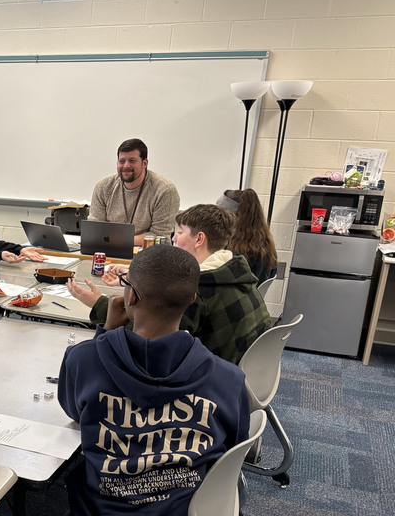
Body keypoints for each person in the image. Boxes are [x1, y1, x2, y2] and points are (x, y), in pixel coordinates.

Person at [58, 244, 250, 516]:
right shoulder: (228, 378)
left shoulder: (84, 358)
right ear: (192, 300)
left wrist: (106, 334)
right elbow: (233, 450)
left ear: (130, 296)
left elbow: (72, 409)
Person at [68, 203, 271, 364]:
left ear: (199, 239)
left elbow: (140, 337)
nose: (174, 238)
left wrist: (98, 303)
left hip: (204, 383)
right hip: (235, 374)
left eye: (180, 232)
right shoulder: (232, 271)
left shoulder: (197, 291)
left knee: (81, 357)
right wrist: (139, 280)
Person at [90, 138, 180, 245]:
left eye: (132, 161)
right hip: (110, 248)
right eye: (122, 161)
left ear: (144, 163)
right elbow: (94, 228)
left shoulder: (165, 191)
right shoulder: (103, 187)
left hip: (149, 252)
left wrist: (119, 240)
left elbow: (160, 236)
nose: (126, 166)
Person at [218, 188, 278, 286]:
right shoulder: (266, 243)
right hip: (253, 294)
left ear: (233, 217)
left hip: (238, 294)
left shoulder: (237, 251)